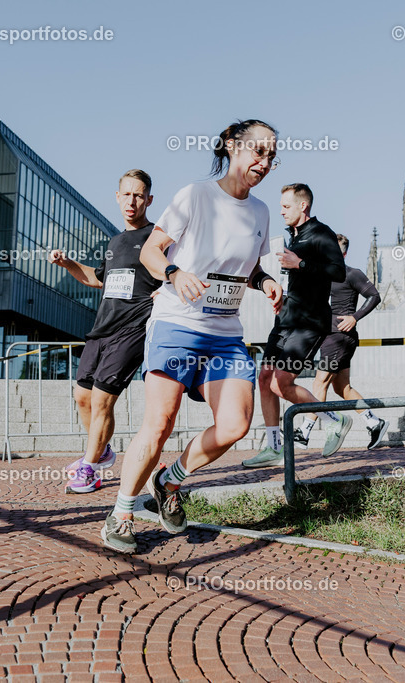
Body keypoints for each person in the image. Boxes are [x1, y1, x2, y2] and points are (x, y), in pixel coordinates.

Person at [100, 119, 283, 554]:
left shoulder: (260, 211)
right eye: (258, 151)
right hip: (177, 324)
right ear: (231, 147)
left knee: (236, 426)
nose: (265, 162)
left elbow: (249, 268)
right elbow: (151, 250)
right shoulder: (195, 195)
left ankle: (168, 481)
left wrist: (265, 283)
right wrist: (174, 272)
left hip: (225, 334)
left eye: (272, 155)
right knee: (160, 423)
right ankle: (121, 513)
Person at [48, 169, 162, 494]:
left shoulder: (157, 238)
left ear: (148, 200)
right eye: (126, 194)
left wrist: (165, 290)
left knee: (101, 401)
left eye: (139, 195)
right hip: (102, 329)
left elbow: (176, 272)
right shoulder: (115, 242)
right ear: (117, 196)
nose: (132, 200)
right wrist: (68, 263)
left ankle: (90, 467)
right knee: (82, 397)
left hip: (133, 329)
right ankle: (103, 451)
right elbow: (98, 279)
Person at [242, 184, 350, 468]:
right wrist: (281, 295)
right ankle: (274, 448)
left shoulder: (321, 233)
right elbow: (296, 281)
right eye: (280, 206)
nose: (280, 211)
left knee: (281, 383)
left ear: (303, 206)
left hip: (308, 323)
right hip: (286, 318)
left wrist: (300, 263)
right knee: (265, 379)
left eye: (286, 206)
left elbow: (338, 271)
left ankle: (334, 420)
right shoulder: (295, 236)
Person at [295, 233, 389, 450]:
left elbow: (374, 296)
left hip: (339, 338)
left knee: (320, 383)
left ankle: (305, 430)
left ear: (343, 253)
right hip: (328, 336)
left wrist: (354, 317)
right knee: (342, 388)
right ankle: (374, 423)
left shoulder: (351, 274)